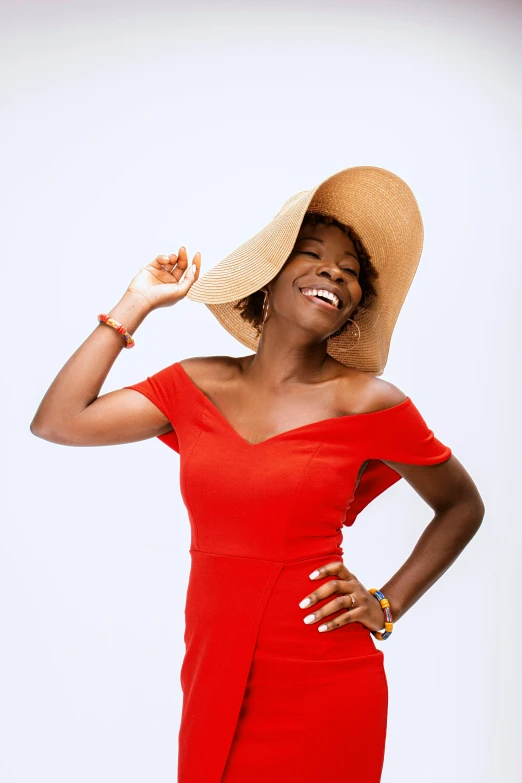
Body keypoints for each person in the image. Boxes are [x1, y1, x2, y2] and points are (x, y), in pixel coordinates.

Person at [30, 166, 485, 783]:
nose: (335, 273)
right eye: (315, 255)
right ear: (267, 281)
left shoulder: (370, 403)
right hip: (215, 665)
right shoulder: (195, 385)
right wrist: (135, 302)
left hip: (324, 675)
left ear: (353, 307)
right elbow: (59, 421)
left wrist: (386, 602)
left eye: (350, 271)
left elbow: (462, 506)